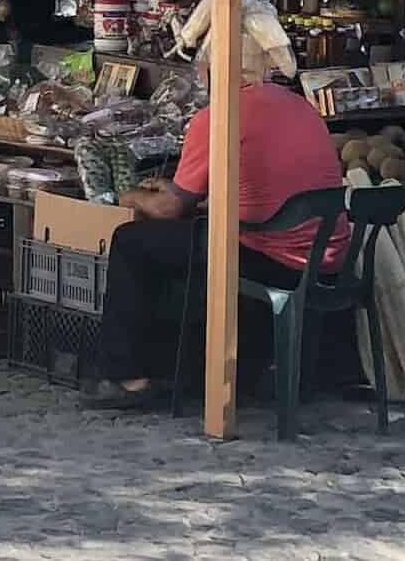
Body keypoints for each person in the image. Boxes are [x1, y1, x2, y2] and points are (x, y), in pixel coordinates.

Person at [83, 36, 349, 410]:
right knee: (185, 239)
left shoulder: (220, 115)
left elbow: (169, 208)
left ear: (211, 71)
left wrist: (129, 196)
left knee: (131, 240)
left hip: (272, 258)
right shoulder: (301, 106)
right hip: (325, 256)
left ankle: (127, 376)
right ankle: (192, 365)